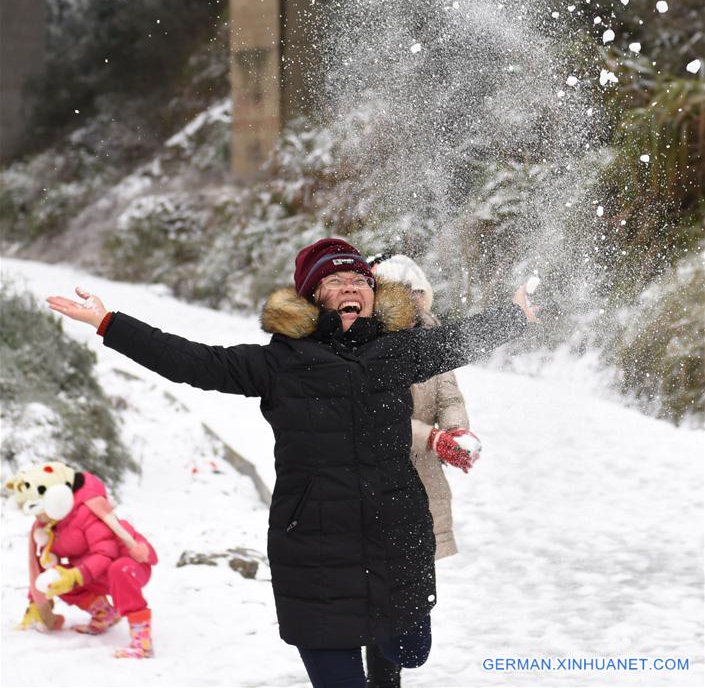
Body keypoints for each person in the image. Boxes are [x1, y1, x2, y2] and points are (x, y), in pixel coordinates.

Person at [47, 237, 537, 688]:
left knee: (410, 651)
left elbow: (456, 341)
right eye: (335, 281)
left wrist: (514, 315)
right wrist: (110, 323)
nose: (351, 288)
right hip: (315, 545)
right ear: (313, 297)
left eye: (360, 281)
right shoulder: (280, 363)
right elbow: (193, 362)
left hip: (395, 536)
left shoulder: (396, 352)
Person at [364, 254, 478, 688]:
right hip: (380, 476)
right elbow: (377, 411)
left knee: (410, 592)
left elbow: (449, 391)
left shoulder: (431, 335)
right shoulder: (367, 344)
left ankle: (390, 667)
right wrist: (430, 438)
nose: (410, 303)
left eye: (417, 295)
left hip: (423, 479)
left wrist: (457, 430)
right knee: (381, 593)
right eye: (400, 295)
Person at [6, 459, 158, 658]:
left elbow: (106, 553)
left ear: (56, 499)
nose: (38, 518)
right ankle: (105, 614)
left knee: (118, 569)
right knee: (57, 579)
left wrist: (77, 574)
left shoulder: (86, 513)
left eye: (40, 511)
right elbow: (42, 565)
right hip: (96, 572)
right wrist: (37, 604)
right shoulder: (50, 527)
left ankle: (142, 640)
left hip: (129, 565)